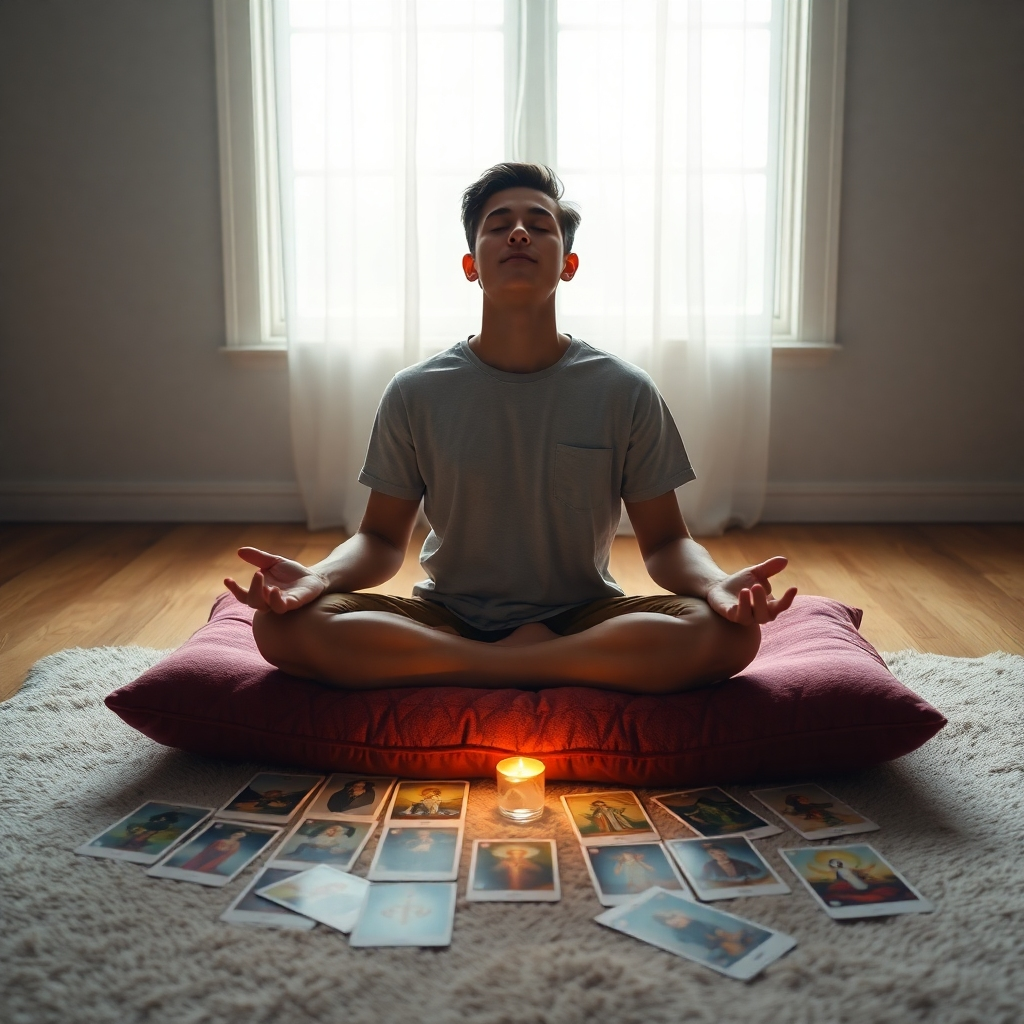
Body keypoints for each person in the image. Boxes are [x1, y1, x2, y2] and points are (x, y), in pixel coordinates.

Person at [225, 163, 796, 695]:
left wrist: (715, 584)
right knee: (282, 628)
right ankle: (528, 668)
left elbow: (668, 544)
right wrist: (317, 579)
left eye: (538, 225)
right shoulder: (415, 391)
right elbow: (378, 542)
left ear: (568, 265)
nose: (518, 234)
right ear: (472, 265)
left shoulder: (625, 390)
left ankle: (471, 670)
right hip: (449, 617)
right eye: (499, 226)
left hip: (582, 618)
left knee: (728, 633)